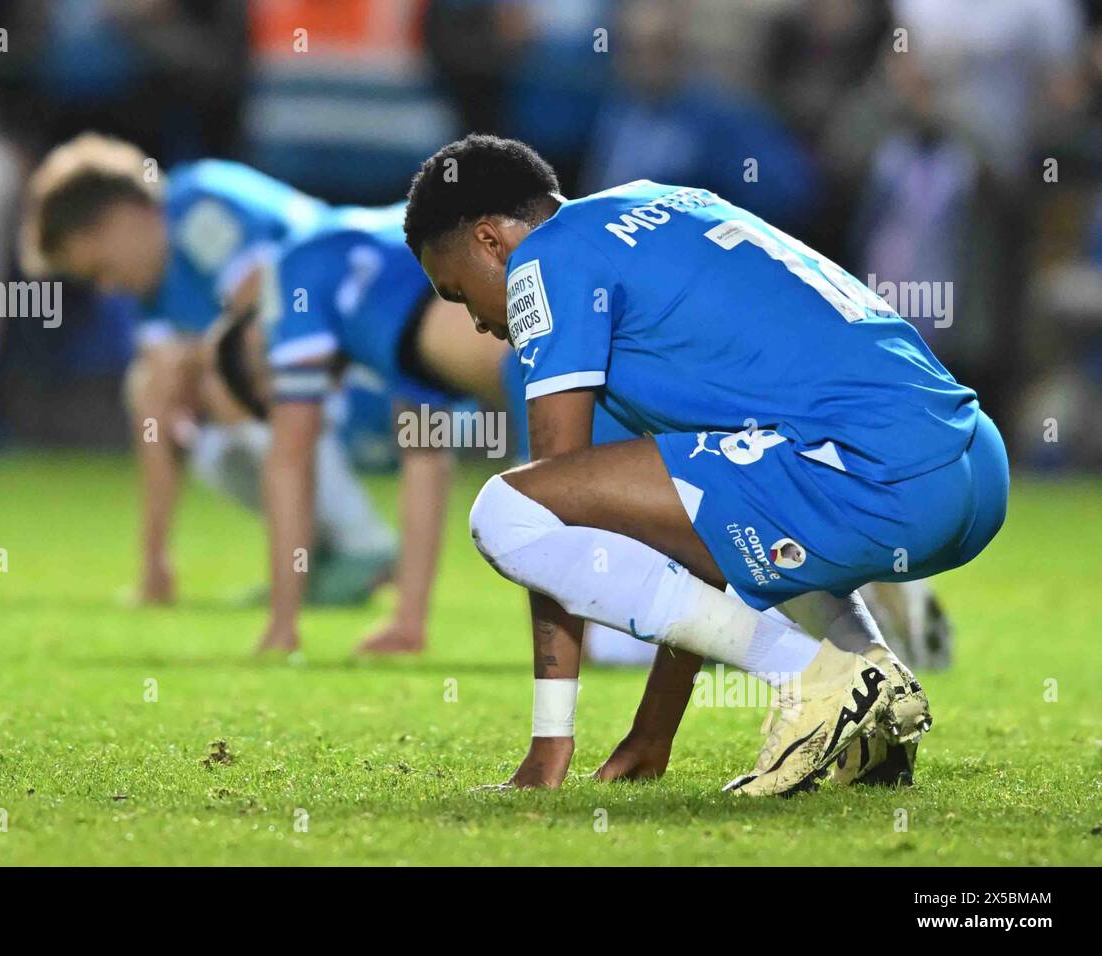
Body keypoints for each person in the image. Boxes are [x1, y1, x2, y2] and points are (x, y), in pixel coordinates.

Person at [403, 135, 1008, 796]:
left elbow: (553, 508)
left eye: (459, 292)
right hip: (967, 462)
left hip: (877, 475)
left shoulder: (546, 262)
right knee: (731, 501)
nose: (479, 325)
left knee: (506, 511)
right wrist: (654, 728)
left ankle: (818, 679)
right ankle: (877, 704)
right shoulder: (662, 203)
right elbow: (696, 532)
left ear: (492, 242)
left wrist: (551, 742)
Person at [20, 134, 397, 609]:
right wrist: (154, 557)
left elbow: (264, 310)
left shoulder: (198, 205)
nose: (108, 287)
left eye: (101, 269)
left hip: (385, 357)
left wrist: (190, 362)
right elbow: (153, 405)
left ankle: (364, 546)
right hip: (340, 391)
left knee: (226, 384)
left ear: (119, 220)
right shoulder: (153, 295)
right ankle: (320, 554)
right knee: (176, 402)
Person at [217, 204, 518, 654]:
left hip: (545, 355)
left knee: (539, 502)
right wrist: (408, 622)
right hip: (581, 313)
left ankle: (601, 641)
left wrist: (282, 626)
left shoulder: (292, 277)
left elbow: (289, 464)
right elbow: (425, 466)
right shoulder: (390, 329)